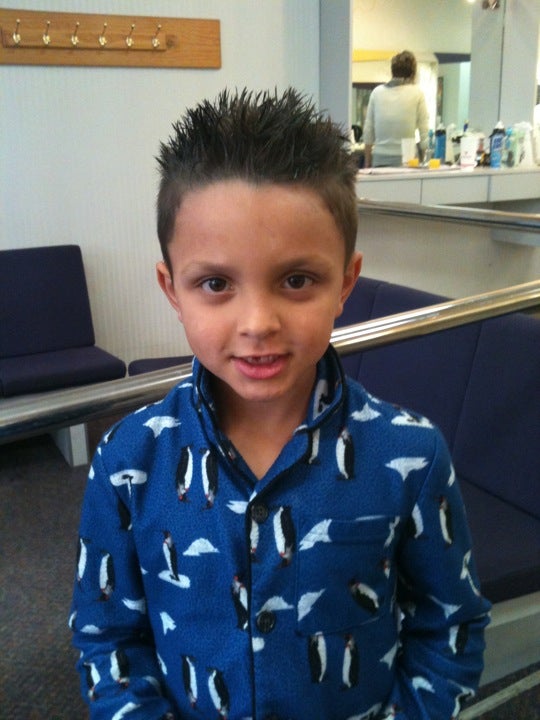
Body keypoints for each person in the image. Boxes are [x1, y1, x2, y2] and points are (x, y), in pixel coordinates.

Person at [69, 87, 490, 720]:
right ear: (172, 289)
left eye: (296, 280)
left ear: (345, 282)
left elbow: (450, 626)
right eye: (216, 283)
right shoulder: (128, 460)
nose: (258, 323)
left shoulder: (411, 455)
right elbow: (106, 639)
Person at [363, 51, 429, 168]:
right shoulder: (417, 93)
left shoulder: (377, 93)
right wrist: (425, 159)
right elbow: (424, 131)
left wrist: (367, 162)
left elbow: (368, 131)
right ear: (413, 73)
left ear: (392, 71)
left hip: (380, 159)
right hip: (408, 160)